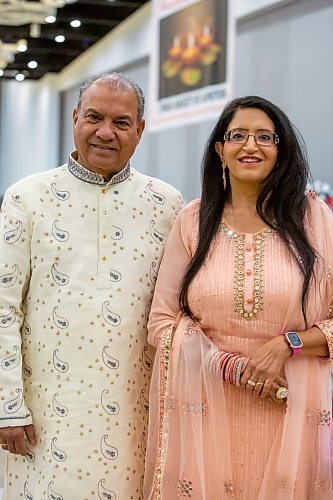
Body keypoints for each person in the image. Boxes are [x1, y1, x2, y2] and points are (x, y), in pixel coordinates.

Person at [0, 72, 183, 499]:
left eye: (121, 123)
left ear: (140, 130)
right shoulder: (27, 197)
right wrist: (7, 405)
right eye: (95, 117)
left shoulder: (167, 204)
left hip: (134, 415)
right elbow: (3, 306)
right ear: (75, 117)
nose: (105, 132)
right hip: (41, 415)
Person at [144, 96, 333, 499]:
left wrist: (289, 344)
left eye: (265, 136)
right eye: (238, 136)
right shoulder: (194, 221)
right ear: (220, 150)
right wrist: (227, 366)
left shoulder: (314, 220)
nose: (251, 145)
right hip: (204, 415)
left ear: (281, 150)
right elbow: (161, 323)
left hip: (289, 411)